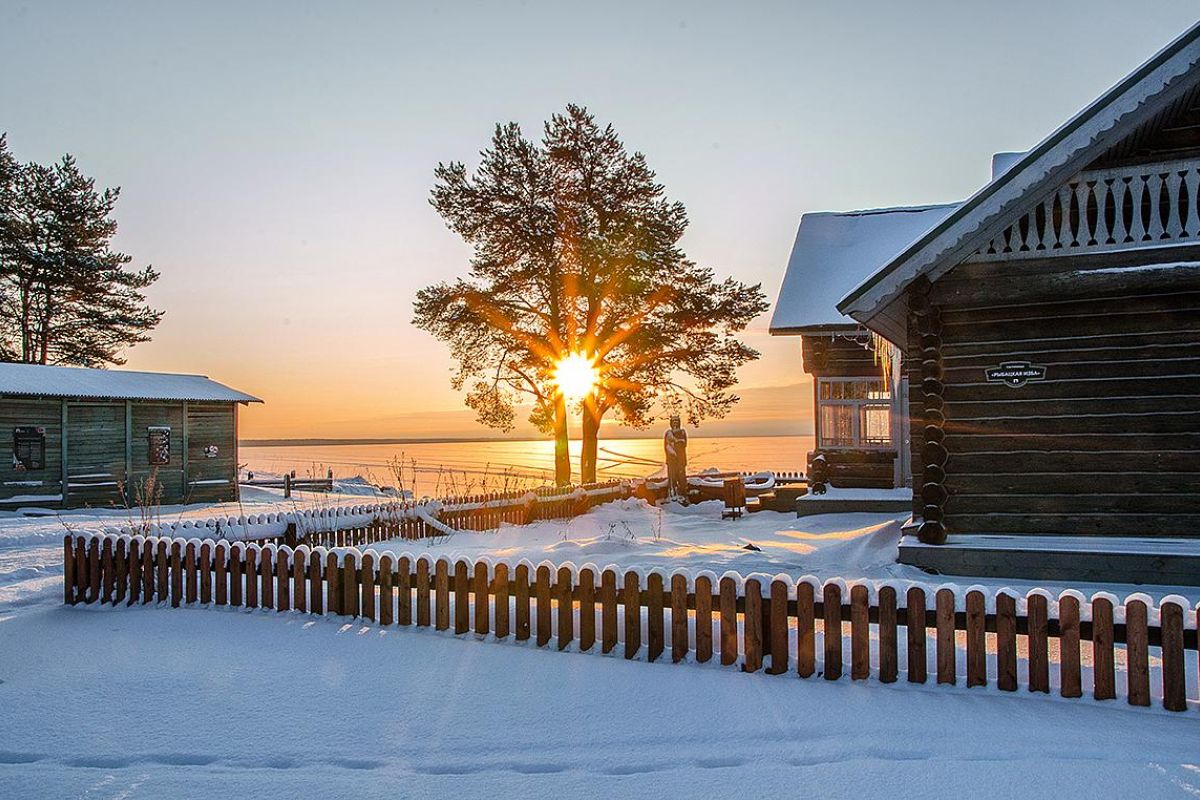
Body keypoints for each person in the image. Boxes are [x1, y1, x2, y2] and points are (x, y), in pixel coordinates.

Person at [664, 415, 688, 499]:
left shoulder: (682, 432)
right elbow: (667, 446)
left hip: (681, 459)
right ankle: (673, 494)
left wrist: (677, 442)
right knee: (672, 477)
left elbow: (684, 444)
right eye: (673, 422)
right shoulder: (668, 433)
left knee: (682, 477)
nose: (675, 423)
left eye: (677, 422)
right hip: (672, 460)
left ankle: (683, 494)